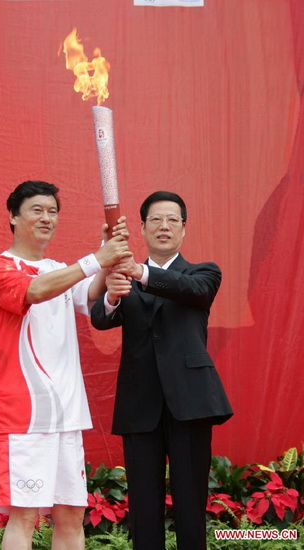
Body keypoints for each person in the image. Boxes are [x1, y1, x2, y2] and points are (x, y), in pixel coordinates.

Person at [0, 180, 131, 550]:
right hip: (22, 416)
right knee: (25, 516)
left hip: (66, 413)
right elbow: (36, 291)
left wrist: (109, 264)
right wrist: (99, 258)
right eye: (37, 210)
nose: (47, 218)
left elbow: (90, 294)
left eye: (53, 211)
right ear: (13, 216)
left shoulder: (57, 267)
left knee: (71, 514)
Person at [91, 190, 233, 550]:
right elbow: (100, 318)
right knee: (143, 507)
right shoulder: (127, 280)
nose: (164, 226)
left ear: (184, 229)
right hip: (140, 405)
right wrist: (111, 294)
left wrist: (138, 271)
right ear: (142, 228)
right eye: (155, 219)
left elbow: (192, 291)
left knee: (189, 503)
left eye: (172, 220)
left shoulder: (203, 273)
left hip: (189, 404)